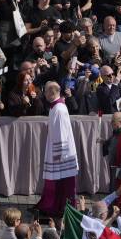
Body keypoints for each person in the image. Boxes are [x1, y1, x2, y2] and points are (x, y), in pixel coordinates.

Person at [38, 81, 80, 219]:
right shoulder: (54, 107)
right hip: (56, 150)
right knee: (56, 180)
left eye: (45, 92)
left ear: (52, 92)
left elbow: (62, 132)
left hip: (62, 153)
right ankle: (54, 204)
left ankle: (61, 207)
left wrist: (58, 153)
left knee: (63, 182)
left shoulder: (60, 109)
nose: (44, 94)